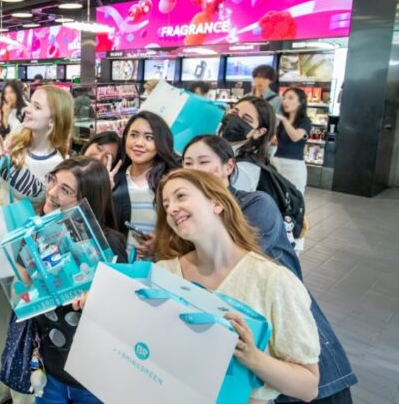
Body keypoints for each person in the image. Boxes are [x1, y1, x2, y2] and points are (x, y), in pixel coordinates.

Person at [182, 135, 357, 403]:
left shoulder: (255, 204)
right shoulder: (191, 212)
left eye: (204, 162)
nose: (194, 170)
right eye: (187, 163)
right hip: (249, 352)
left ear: (229, 167)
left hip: (288, 328)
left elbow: (235, 259)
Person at [154, 169, 321, 403]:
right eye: (166, 204)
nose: (171, 209)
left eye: (181, 196)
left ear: (217, 203)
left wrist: (253, 358)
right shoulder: (163, 273)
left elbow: (308, 386)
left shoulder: (273, 281)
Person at [0, 85, 74, 404]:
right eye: (30, 104)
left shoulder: (60, 164)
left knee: (26, 325)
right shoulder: (14, 143)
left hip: (29, 258)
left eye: (37, 106)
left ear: (53, 119)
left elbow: (40, 197)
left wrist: (7, 165)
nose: (28, 110)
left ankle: (24, 394)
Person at [33, 157, 127, 404]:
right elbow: (21, 288)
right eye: (52, 179)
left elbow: (124, 310)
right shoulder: (39, 231)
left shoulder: (109, 243)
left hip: (94, 377)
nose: (52, 192)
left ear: (86, 200)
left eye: (65, 190)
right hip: (50, 368)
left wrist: (96, 300)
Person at [112, 112, 179, 260]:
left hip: (159, 268)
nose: (139, 143)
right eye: (134, 135)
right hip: (118, 266)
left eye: (149, 138)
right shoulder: (114, 179)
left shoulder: (170, 182)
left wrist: (161, 243)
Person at [218, 95, 276, 192]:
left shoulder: (242, 170)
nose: (235, 120)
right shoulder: (226, 151)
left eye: (246, 119)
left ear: (259, 132)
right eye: (234, 112)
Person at [273, 87, 311, 194]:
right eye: (284, 98)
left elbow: (295, 137)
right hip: (277, 163)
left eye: (290, 98)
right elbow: (276, 141)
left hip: (294, 167)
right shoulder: (282, 122)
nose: (285, 101)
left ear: (301, 102)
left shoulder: (305, 122)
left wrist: (284, 120)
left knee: (294, 197)